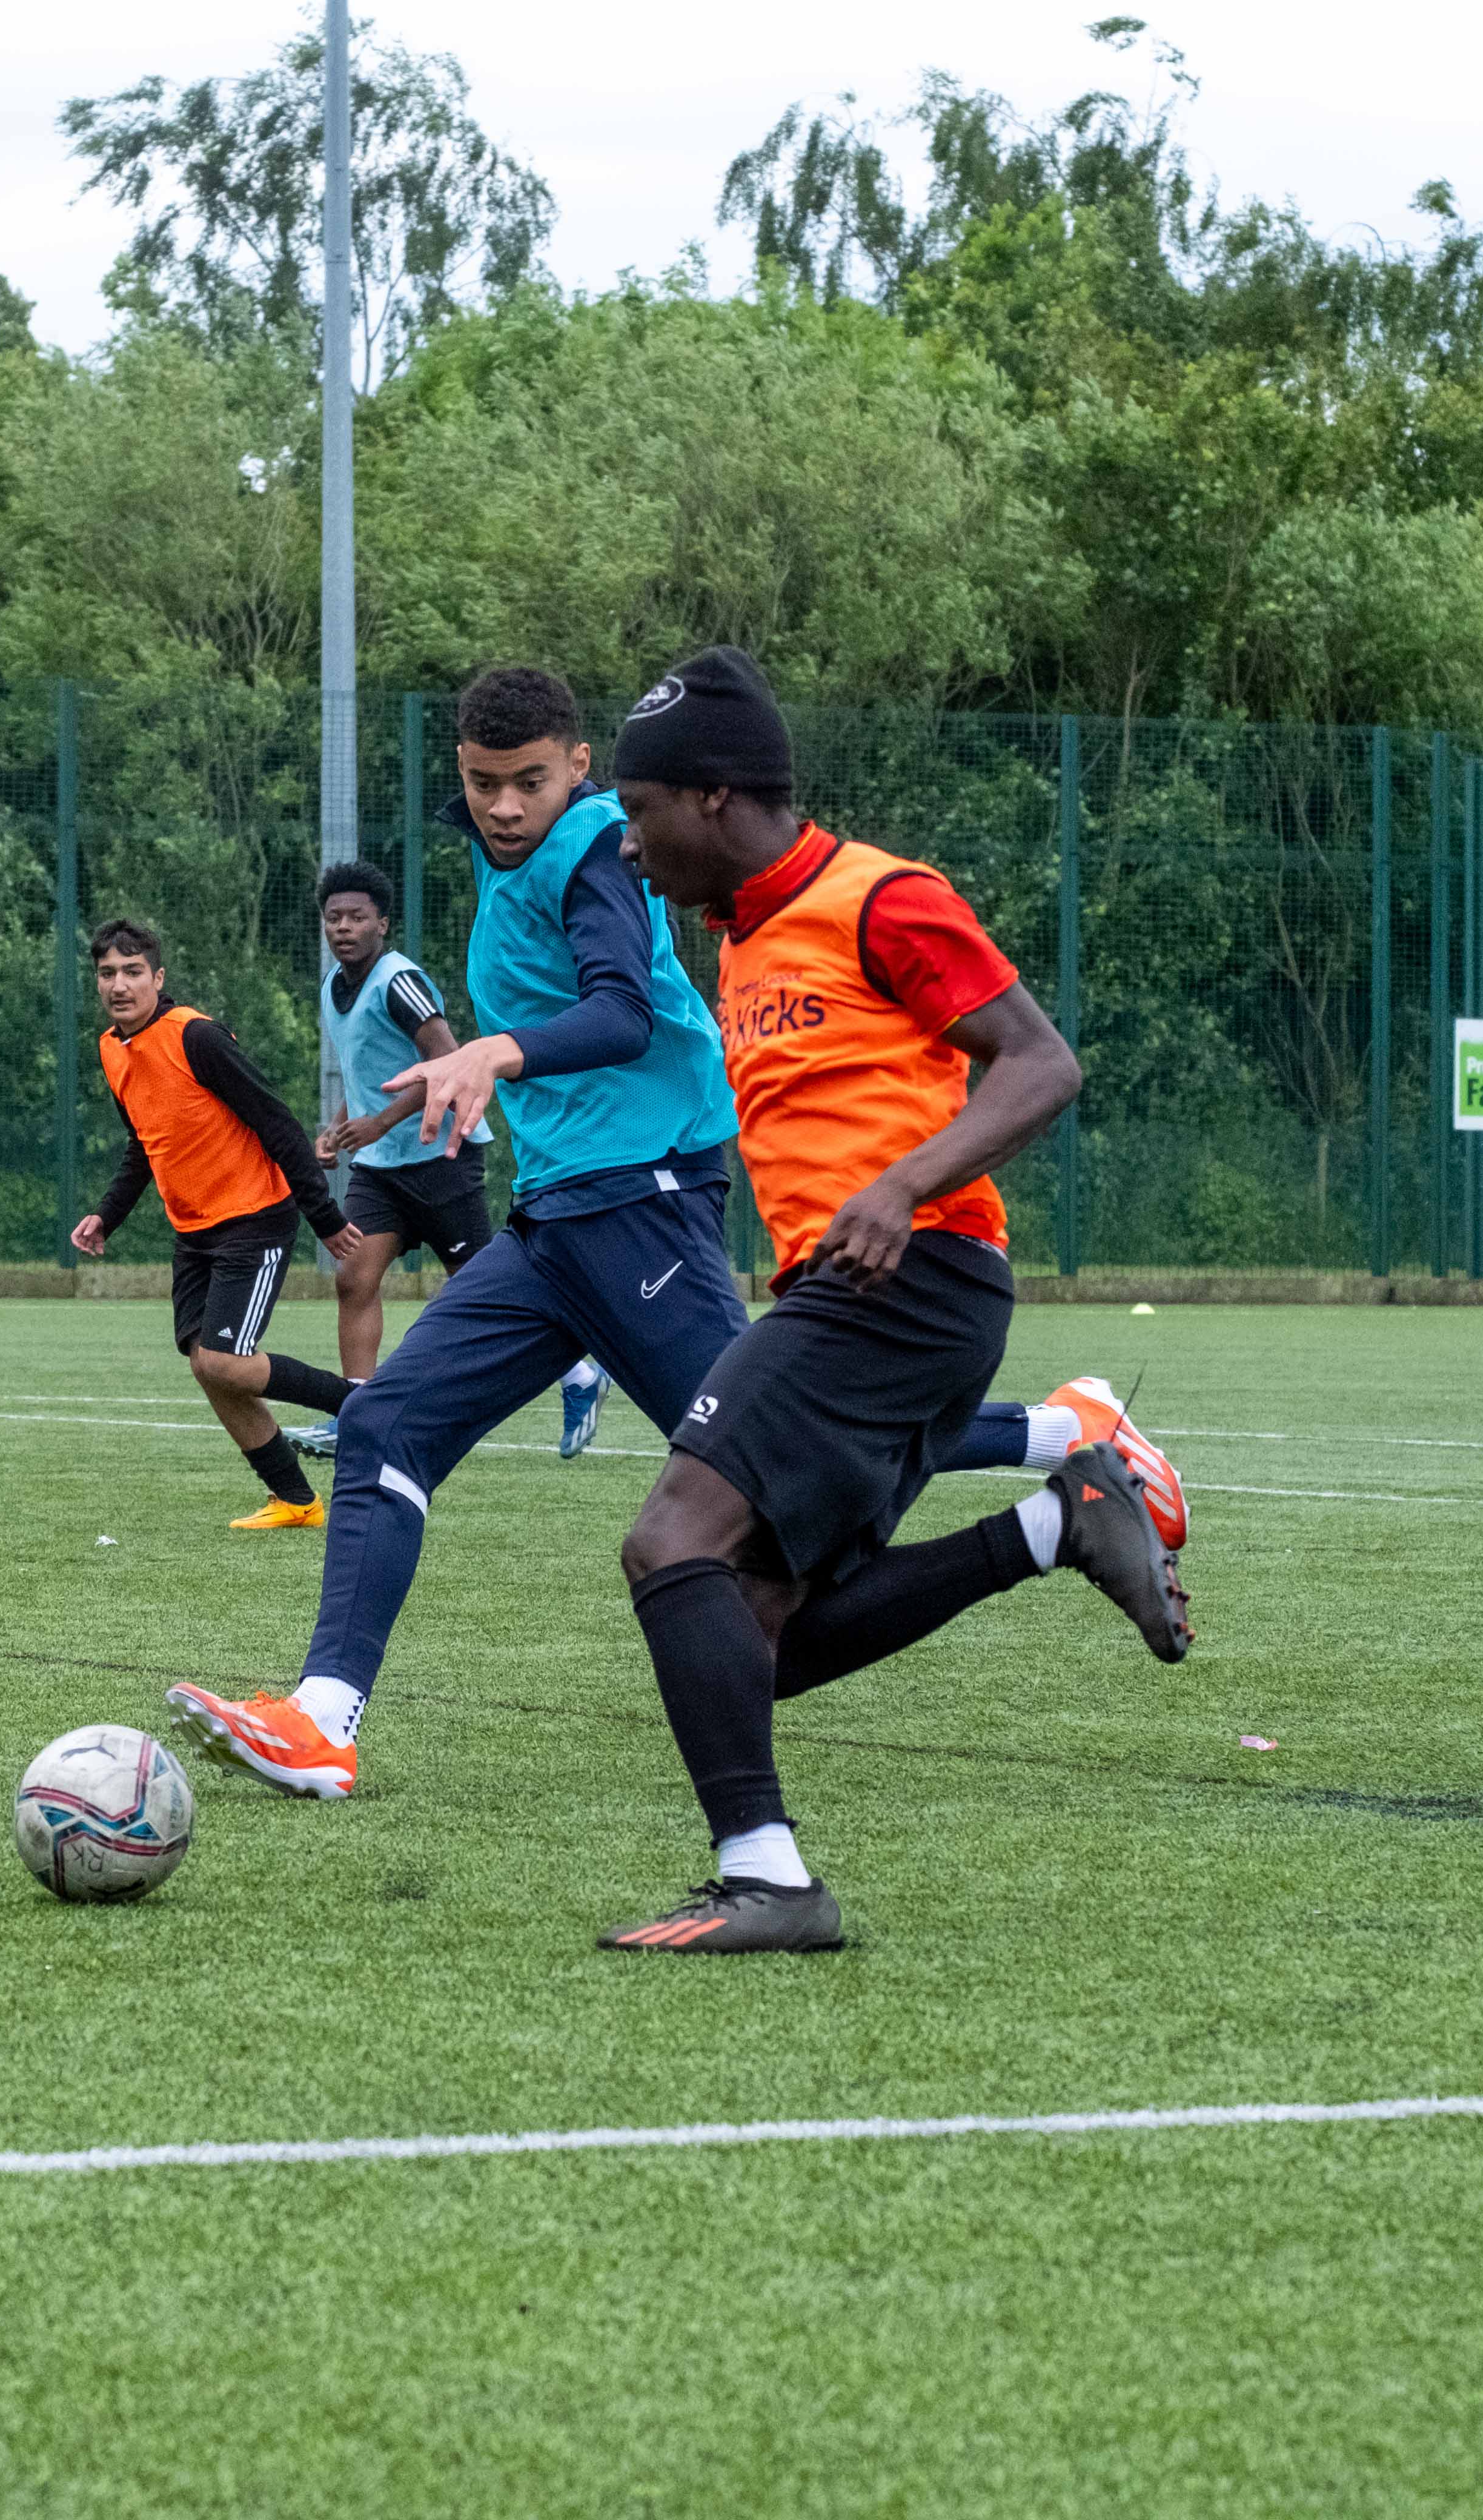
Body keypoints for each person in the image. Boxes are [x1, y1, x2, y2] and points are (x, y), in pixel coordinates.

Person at [164, 664, 1184, 1802]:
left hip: (642, 1199)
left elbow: (623, 1009)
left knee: (779, 1453)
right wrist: (445, 1079)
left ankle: (1069, 1437)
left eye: (531, 783)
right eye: (485, 784)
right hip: (557, 1214)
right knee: (388, 1426)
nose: (506, 807)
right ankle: (322, 1721)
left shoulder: (608, 845)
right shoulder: (501, 843)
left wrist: (497, 1052)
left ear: (583, 771)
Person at [588, 648, 1193, 1952]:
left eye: (639, 815)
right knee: (759, 1635)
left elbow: (1043, 1064)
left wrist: (900, 1187)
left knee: (669, 1540)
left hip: (911, 1281)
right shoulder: (738, 929)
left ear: (712, 797)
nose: (631, 848)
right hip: (876, 1294)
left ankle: (772, 1883)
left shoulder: (884, 897)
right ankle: (1056, 1522)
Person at [69, 920, 367, 1530]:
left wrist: (325, 1218)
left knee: (227, 1360)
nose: (119, 985)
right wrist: (108, 1214)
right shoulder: (111, 1048)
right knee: (207, 1366)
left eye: (132, 971)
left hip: (255, 1217)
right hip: (196, 1230)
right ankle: (296, 1501)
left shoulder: (197, 1037)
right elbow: (144, 1143)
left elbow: (278, 1123)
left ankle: (365, 1406)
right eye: (107, 973)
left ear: (158, 977)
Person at [303, 860, 490, 1424]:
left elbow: (447, 1060)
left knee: (486, 1290)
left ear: (381, 924)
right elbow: (367, 1077)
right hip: (381, 1170)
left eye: (356, 917)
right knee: (353, 1277)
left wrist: (381, 1123)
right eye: (334, 917)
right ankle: (355, 1411)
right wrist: (339, 1128)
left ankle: (578, 1373)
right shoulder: (333, 987)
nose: (343, 927)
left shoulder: (398, 981)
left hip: (442, 1157)